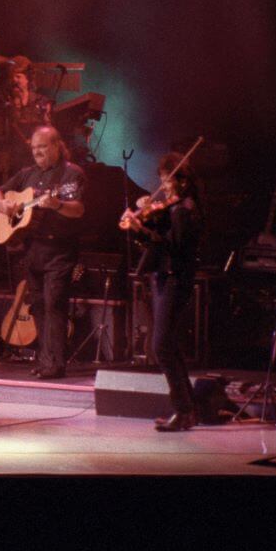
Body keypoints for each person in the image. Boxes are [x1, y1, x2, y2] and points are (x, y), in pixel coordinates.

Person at [0, 126, 85, 379]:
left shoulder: (71, 174)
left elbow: (78, 210)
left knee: (54, 304)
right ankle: (45, 361)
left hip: (59, 250)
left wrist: (57, 204)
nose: (37, 152)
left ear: (56, 145)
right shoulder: (26, 174)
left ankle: (56, 364)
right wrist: (2, 204)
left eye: (42, 147)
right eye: (33, 148)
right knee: (39, 306)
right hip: (32, 249)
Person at [121, 153, 203, 431]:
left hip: (174, 280)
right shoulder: (173, 209)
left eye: (168, 181)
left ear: (182, 180)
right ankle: (189, 409)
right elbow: (156, 240)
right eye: (162, 181)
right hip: (163, 278)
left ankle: (183, 410)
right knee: (169, 346)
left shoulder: (185, 209)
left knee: (161, 347)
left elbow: (173, 249)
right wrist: (139, 224)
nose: (164, 187)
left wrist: (142, 229)